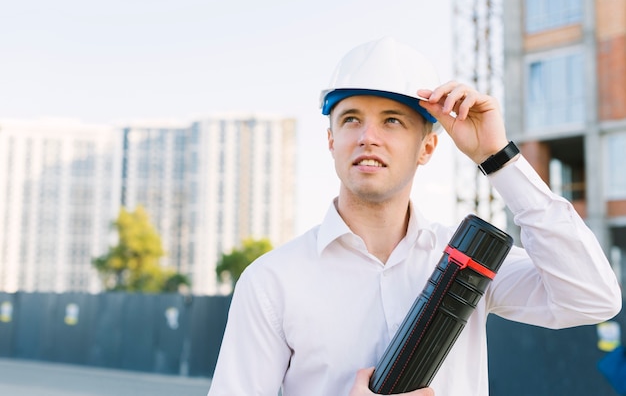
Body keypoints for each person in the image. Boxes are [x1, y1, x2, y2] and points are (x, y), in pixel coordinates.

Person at [207, 37, 622, 396]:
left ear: (426, 149)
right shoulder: (271, 282)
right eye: (351, 119)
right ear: (331, 141)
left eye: (392, 121)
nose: (368, 136)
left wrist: (498, 159)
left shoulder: (468, 263)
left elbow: (592, 298)